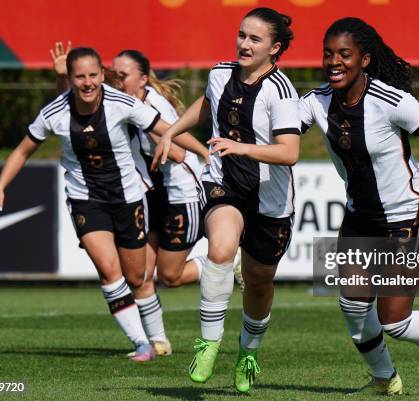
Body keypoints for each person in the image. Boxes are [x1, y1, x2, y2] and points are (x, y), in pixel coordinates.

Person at [299, 17, 419, 397]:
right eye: (328, 54)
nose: (334, 62)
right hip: (359, 219)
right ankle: (386, 379)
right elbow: (280, 128)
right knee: (352, 307)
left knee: (394, 321)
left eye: (344, 54)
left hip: (406, 217)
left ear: (365, 60)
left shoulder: (389, 101)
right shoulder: (317, 102)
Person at [0, 47, 177, 362]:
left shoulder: (121, 103)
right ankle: (141, 344)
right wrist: (0, 187)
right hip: (86, 199)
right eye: (79, 77)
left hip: (128, 198)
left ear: (102, 75)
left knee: (137, 277)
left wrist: (200, 152)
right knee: (109, 272)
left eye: (92, 75)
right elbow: (22, 150)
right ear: (69, 79)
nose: (87, 83)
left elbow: (167, 130)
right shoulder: (54, 112)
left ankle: (159, 338)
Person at [154, 7, 300, 393]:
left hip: (270, 200)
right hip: (224, 186)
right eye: (241, 35)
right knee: (220, 250)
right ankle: (208, 342)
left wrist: (242, 147)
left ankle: (248, 352)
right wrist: (171, 132)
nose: (244, 44)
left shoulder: (282, 91)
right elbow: (207, 103)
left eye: (255, 39)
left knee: (258, 283)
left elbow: (289, 152)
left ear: (275, 48)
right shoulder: (220, 73)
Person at [49, 44, 213, 357]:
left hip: (181, 194)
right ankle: (158, 343)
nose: (117, 79)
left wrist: (184, 149)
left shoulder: (153, 106)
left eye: (123, 75)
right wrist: (62, 78)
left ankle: (227, 264)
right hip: (151, 194)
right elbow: (69, 108)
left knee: (169, 276)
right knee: (139, 276)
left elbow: (178, 151)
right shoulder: (117, 101)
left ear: (143, 79)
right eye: (115, 74)